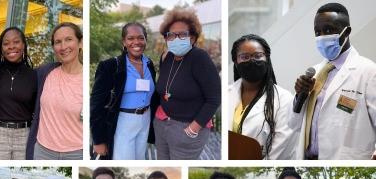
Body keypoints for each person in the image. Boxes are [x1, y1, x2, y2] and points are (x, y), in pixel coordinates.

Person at [291, 3, 376, 160]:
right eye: (318, 32)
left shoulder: (369, 72)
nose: (322, 36)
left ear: (347, 31)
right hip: (308, 161)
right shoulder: (315, 72)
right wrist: (299, 96)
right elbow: (293, 125)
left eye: (329, 30)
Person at [153, 8, 220, 160]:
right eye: (171, 35)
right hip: (162, 124)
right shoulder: (166, 57)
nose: (176, 39)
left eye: (182, 34)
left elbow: (214, 98)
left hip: (187, 129)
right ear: (166, 38)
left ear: (193, 38)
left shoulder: (200, 59)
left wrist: (193, 128)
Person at [90, 22, 159, 160]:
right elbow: (95, 105)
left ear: (145, 40)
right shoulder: (110, 66)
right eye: (131, 38)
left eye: (140, 38)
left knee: (140, 159)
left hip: (145, 120)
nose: (136, 42)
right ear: (124, 41)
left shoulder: (149, 63)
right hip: (122, 122)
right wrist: (98, 140)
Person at [229, 34, 295, 159]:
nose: (251, 61)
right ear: (236, 62)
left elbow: (281, 151)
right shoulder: (227, 93)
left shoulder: (284, 99)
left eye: (258, 56)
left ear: (267, 59)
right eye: (244, 57)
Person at [26, 22, 83, 160]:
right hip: (42, 151)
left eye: (68, 39)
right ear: (53, 48)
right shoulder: (45, 73)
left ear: (80, 43)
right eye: (58, 42)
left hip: (77, 153)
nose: (63, 47)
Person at [0, 27, 37, 160]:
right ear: (1, 48)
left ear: (23, 45)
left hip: (24, 134)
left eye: (16, 42)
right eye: (6, 43)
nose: (11, 46)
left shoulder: (33, 75)